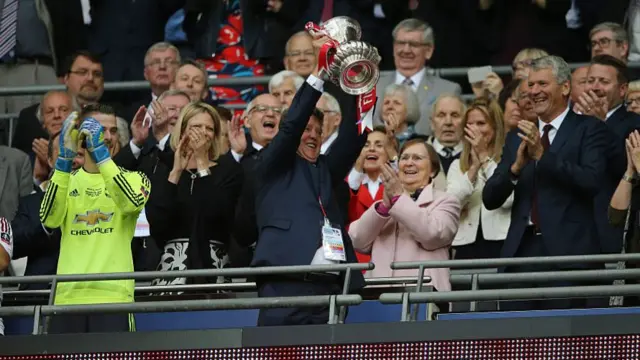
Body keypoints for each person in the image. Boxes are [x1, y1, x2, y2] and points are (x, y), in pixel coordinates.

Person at [251, 35, 365, 326]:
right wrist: (319, 74)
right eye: (307, 129)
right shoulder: (272, 164)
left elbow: (354, 137)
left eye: (318, 130)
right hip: (285, 282)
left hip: (330, 288)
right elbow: (290, 128)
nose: (312, 134)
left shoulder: (325, 168)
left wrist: (359, 82)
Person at [482, 56, 609, 311]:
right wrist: (516, 169)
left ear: (565, 87)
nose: (534, 91)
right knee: (517, 342)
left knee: (564, 343)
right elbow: (490, 198)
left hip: (569, 255)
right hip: (521, 253)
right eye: (531, 85)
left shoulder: (589, 129)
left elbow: (592, 181)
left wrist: (543, 156)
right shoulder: (516, 136)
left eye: (542, 84)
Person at [40, 104, 150, 333]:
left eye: (112, 131)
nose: (107, 137)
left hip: (114, 299)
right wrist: (63, 161)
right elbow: (48, 219)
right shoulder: (64, 179)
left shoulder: (135, 178)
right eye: (99, 130)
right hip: (67, 300)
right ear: (79, 136)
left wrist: (100, 154)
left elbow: (130, 202)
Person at [146, 102, 243, 286]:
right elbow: (158, 223)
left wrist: (202, 164)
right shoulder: (163, 168)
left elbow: (218, 215)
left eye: (209, 128)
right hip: (171, 270)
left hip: (214, 270)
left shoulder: (228, 170)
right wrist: (175, 172)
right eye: (196, 127)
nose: (203, 132)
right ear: (182, 131)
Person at [348, 139, 460, 292]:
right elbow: (357, 240)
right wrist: (384, 208)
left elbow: (432, 235)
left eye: (417, 158)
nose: (409, 163)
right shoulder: (384, 204)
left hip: (424, 295)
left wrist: (398, 200)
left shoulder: (446, 201)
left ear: (433, 170)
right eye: (405, 158)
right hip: (379, 296)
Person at [447, 98, 509, 260]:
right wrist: (473, 169)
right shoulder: (457, 164)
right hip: (465, 245)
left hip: (501, 242)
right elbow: (451, 205)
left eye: (481, 123)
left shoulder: (508, 160)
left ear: (495, 127)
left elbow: (508, 199)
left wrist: (484, 158)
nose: (475, 129)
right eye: (471, 124)